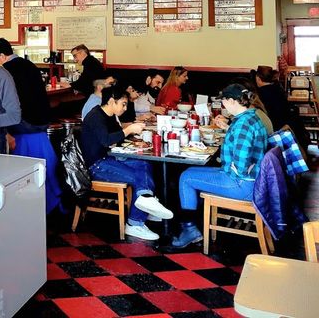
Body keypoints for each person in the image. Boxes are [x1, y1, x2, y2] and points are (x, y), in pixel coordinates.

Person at [171, 84, 268, 248]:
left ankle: (189, 229)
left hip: (241, 185)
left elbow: (241, 165)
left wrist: (223, 165)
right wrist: (229, 129)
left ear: (231, 101)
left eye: (223, 102)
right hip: (252, 182)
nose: (223, 106)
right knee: (188, 171)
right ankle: (192, 225)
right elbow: (245, 142)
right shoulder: (251, 118)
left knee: (186, 178)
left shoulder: (242, 125)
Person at [80, 86, 173, 241]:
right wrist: (129, 129)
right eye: (123, 104)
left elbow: (118, 136)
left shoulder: (109, 115)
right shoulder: (95, 116)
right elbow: (106, 140)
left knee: (144, 165)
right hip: (96, 165)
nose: (125, 108)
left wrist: (135, 138)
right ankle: (135, 223)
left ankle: (146, 204)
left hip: (110, 158)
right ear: (111, 101)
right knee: (137, 177)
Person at [0, 38, 62, 213]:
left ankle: (15, 201)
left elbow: (6, 104)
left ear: (3, 56)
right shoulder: (29, 65)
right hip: (42, 122)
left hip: (25, 125)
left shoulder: (6, 71)